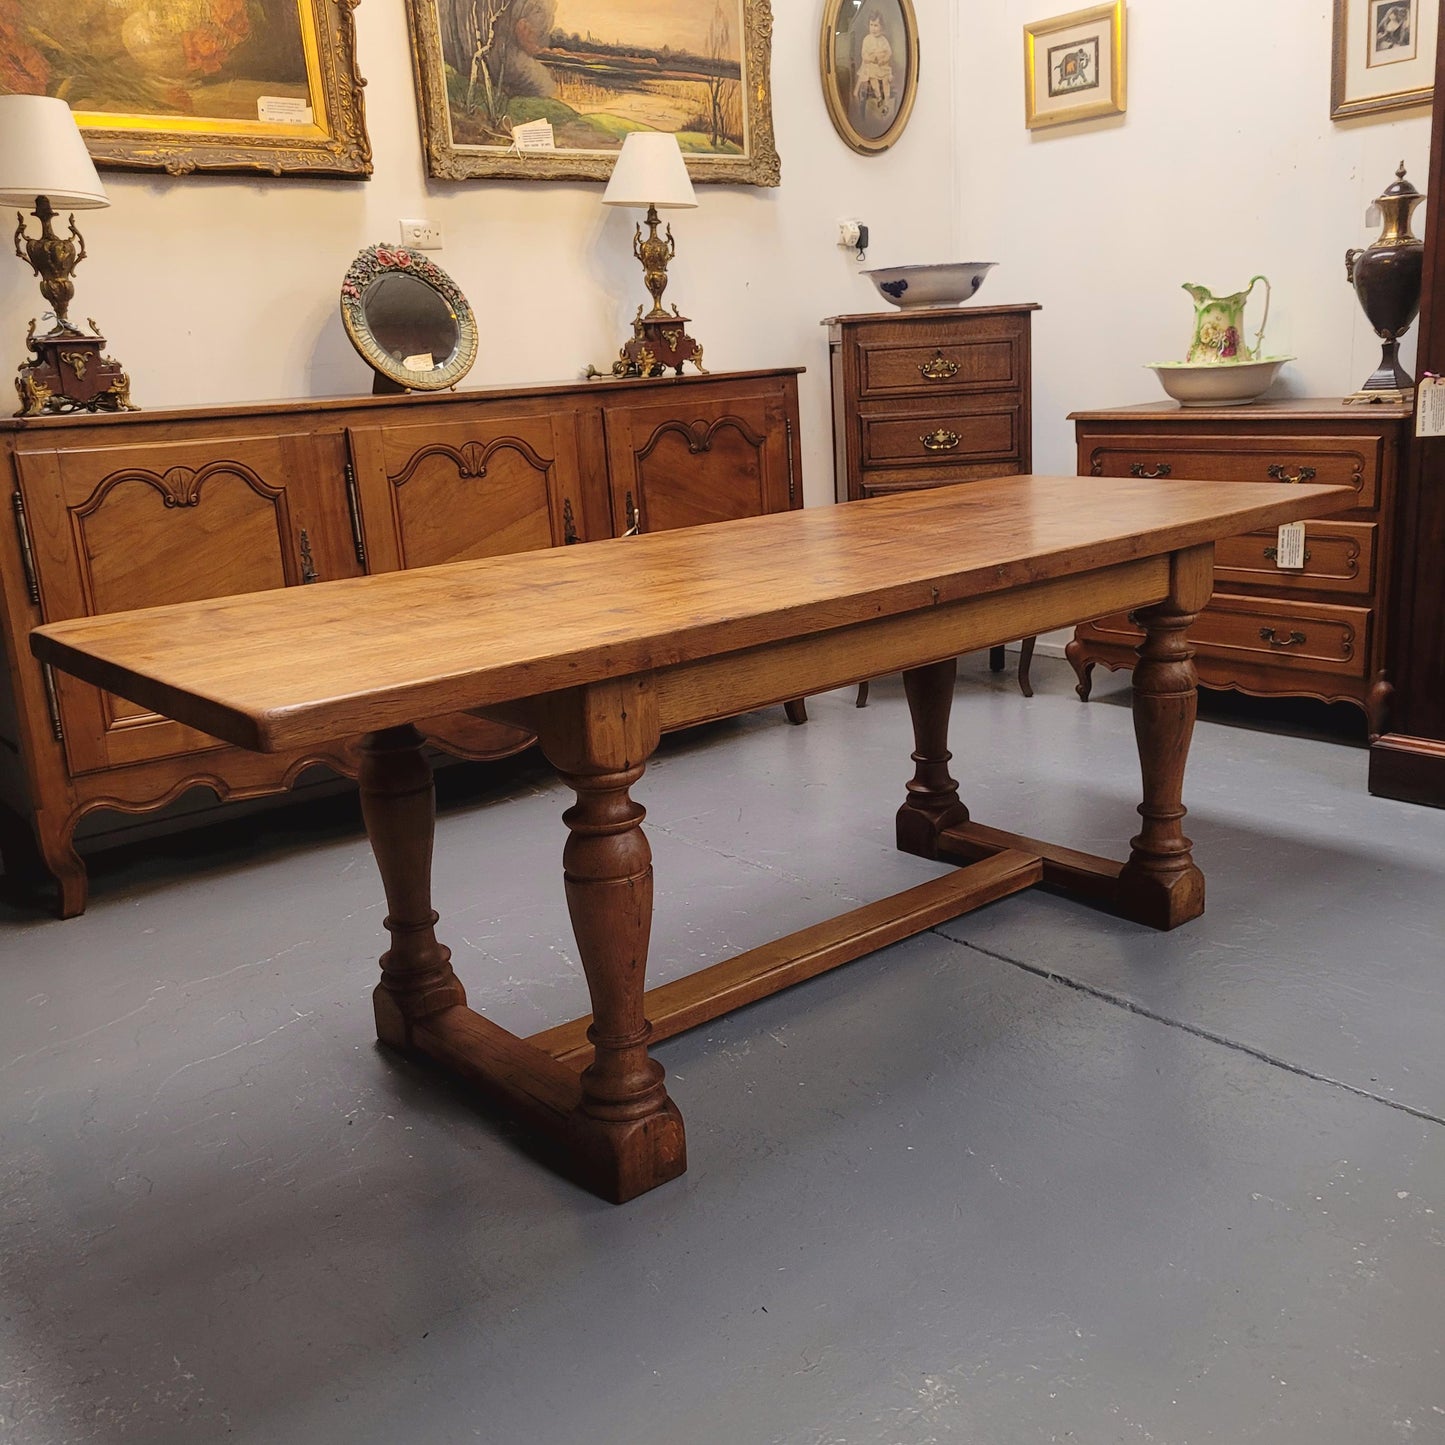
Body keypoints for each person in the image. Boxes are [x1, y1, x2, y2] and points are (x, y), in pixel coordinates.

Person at [854, 11, 895, 118]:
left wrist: (883, 59)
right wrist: (870, 58)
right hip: (871, 65)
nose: (873, 28)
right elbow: (864, 55)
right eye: (871, 25)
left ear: (882, 27)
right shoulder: (867, 39)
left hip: (882, 66)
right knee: (873, 78)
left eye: (876, 25)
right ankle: (878, 97)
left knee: (886, 81)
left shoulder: (883, 40)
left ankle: (886, 103)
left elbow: (889, 53)